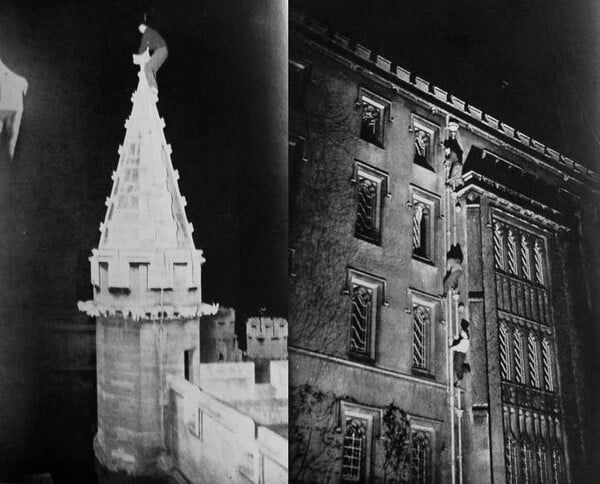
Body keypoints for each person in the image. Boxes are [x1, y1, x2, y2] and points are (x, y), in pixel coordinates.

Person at [137, 15, 168, 91]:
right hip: (164, 51)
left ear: (143, 26)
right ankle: (152, 89)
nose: (139, 30)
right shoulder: (150, 32)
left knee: (148, 67)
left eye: (140, 28)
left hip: (161, 50)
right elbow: (146, 46)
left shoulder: (147, 32)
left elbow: (143, 47)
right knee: (152, 70)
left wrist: (137, 56)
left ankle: (153, 88)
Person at [450, 318, 470, 386]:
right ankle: (465, 368)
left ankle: (459, 379)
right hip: (460, 352)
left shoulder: (465, 336)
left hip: (461, 353)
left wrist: (452, 348)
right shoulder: (464, 334)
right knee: (456, 364)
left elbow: (460, 345)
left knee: (457, 367)